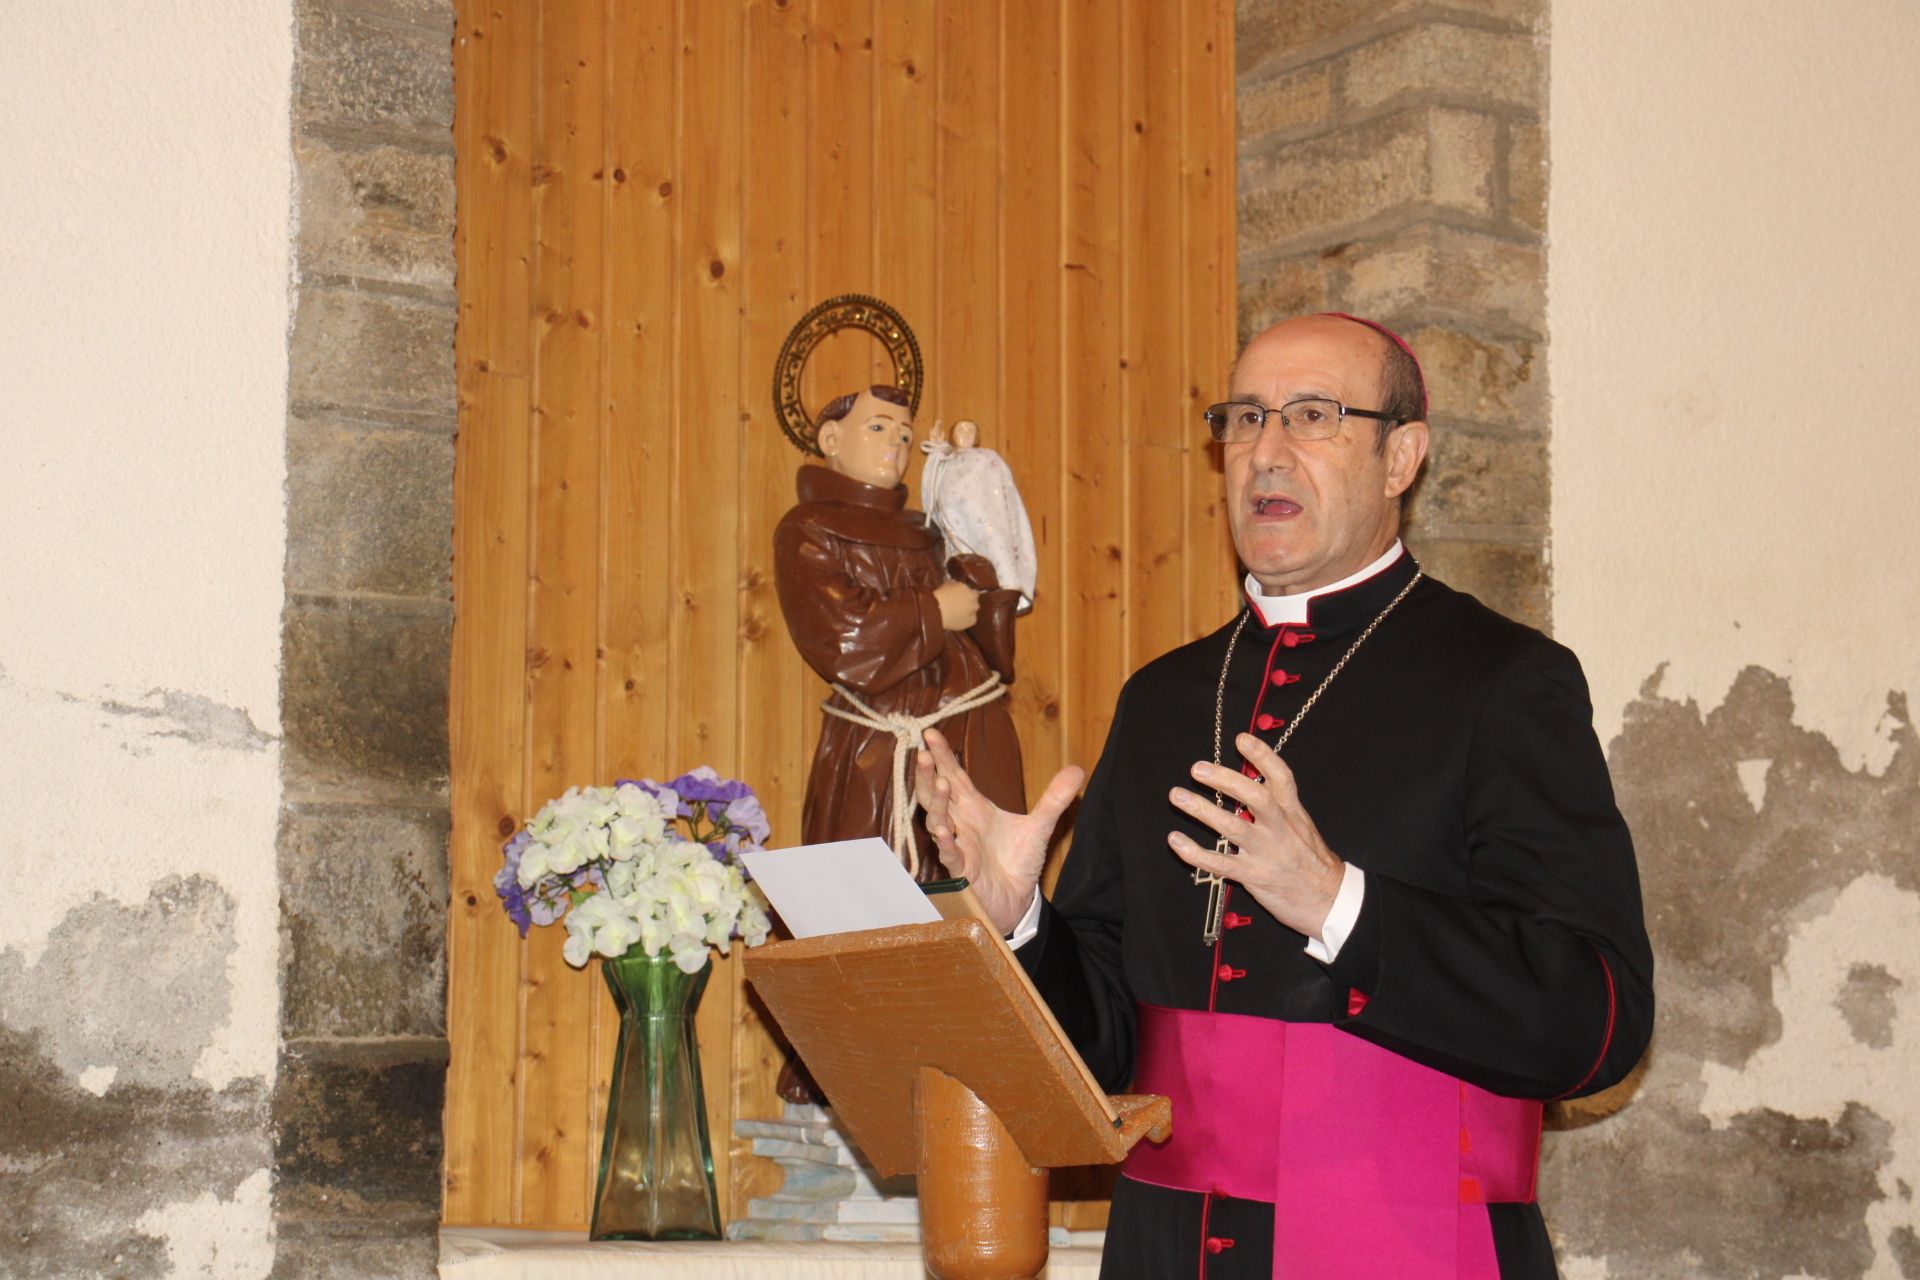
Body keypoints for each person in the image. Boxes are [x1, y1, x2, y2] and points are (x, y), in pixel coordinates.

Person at [914, 314, 1653, 1278]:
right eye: (1244, 418)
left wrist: (1341, 905)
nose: (1265, 452)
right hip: (1169, 1251)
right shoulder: (1166, 699)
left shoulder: (1504, 682)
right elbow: (1102, 1050)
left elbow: (1595, 1022)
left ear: (1402, 458)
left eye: (1312, 416)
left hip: (1408, 1232)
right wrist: (1022, 928)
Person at [773, 384, 1025, 885]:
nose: (896, 444)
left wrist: (985, 574)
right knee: (877, 899)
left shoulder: (930, 529)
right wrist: (935, 609)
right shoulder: (808, 529)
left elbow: (994, 659)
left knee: (979, 898)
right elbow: (844, 638)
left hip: (969, 736)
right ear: (831, 438)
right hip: (883, 749)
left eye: (907, 435)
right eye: (878, 427)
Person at [920, 418, 1039, 613]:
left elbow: (1002, 492)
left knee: (995, 546)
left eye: (970, 430)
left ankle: (1005, 585)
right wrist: (936, 450)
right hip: (955, 519)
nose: (965, 434)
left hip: (987, 518)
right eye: (960, 429)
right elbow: (934, 487)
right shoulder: (946, 460)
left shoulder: (987, 458)